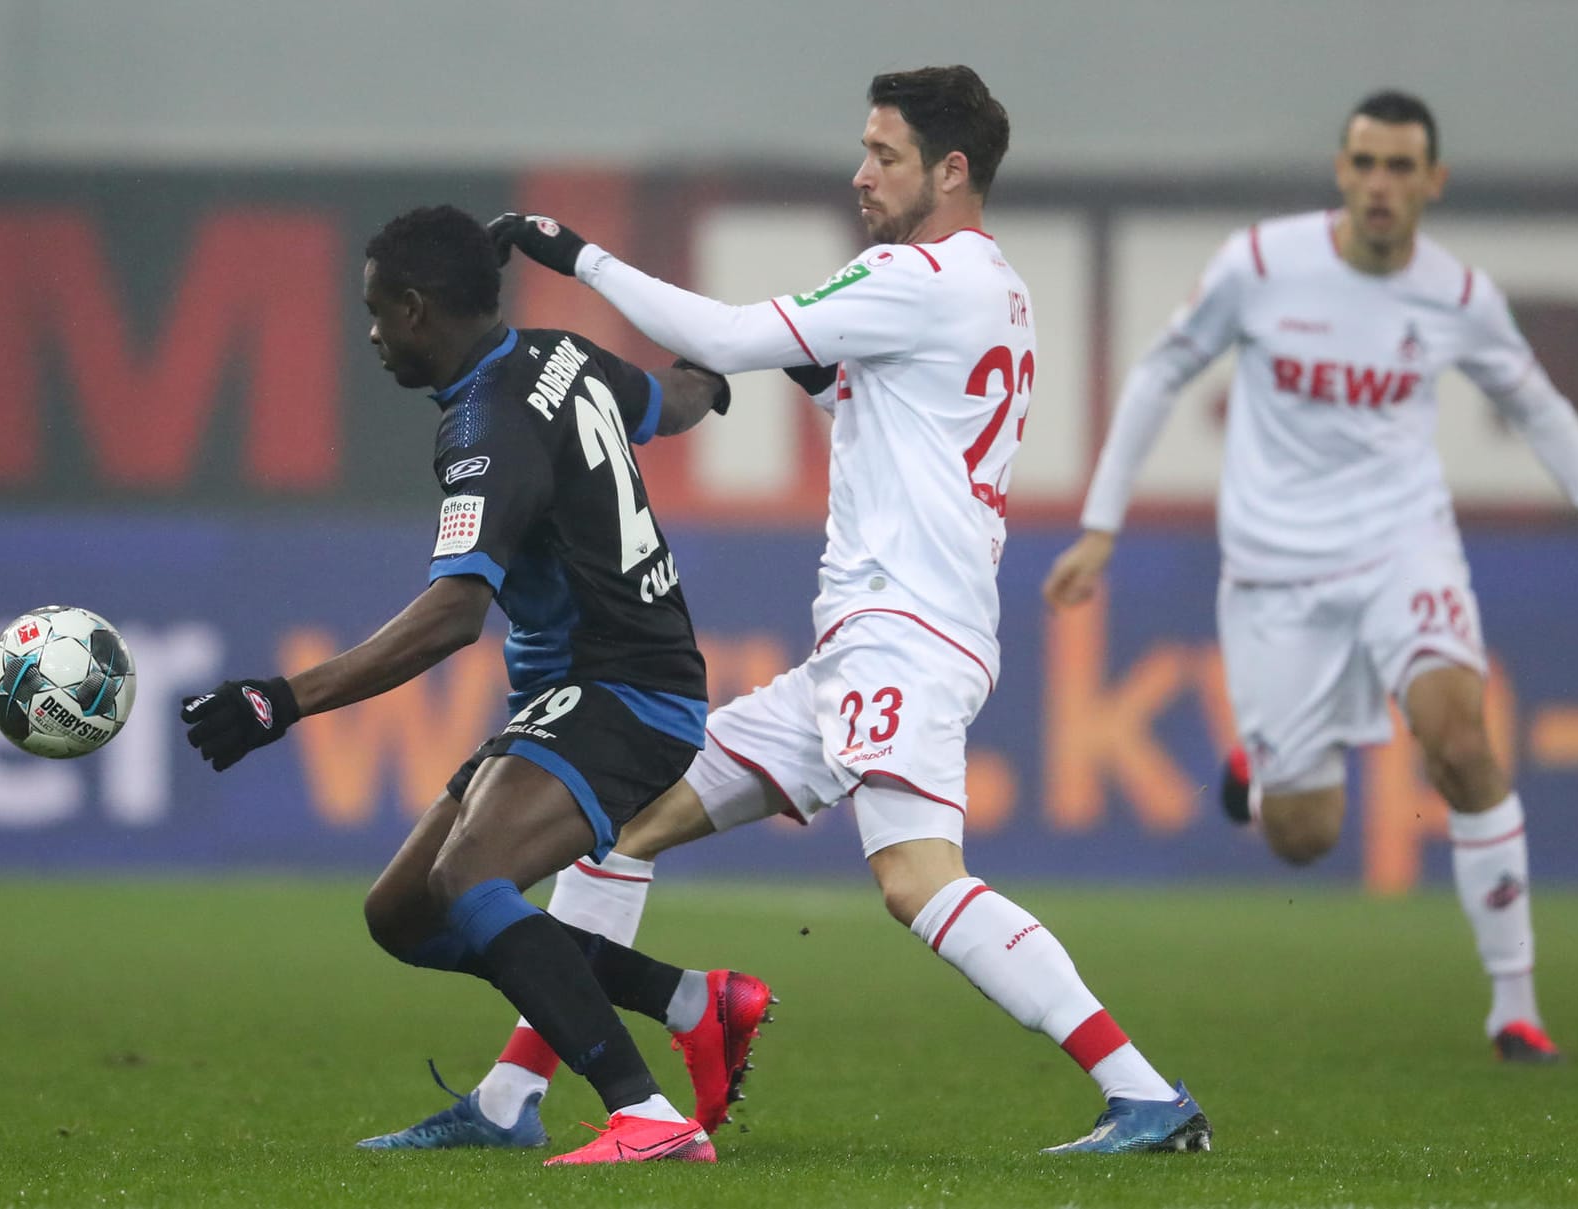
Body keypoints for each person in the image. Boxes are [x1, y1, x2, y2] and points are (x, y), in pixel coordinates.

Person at [405, 64, 1211, 1157]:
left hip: (907, 637)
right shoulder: (990, 289)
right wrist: (789, 364)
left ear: (952, 168)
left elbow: (735, 334)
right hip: (869, 649)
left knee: (918, 880)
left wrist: (575, 254)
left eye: (884, 153)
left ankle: (1146, 1095)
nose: (861, 172)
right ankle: (512, 1100)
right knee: (624, 822)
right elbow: (847, 392)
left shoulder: (925, 275)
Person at [1043, 90, 1578, 1064]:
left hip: (1402, 549)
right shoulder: (1261, 266)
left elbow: (1545, 407)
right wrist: (1099, 527)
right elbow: (1159, 374)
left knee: (1460, 740)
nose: (1380, 185)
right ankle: (1260, 776)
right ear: (1343, 172)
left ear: (1432, 181)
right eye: (1365, 165)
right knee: (1303, 836)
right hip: (1274, 573)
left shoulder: (1456, 296)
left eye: (1400, 168)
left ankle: (1514, 1005)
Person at [179, 204, 772, 1166]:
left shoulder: (485, 425)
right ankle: (691, 1001)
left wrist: (276, 700)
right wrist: (719, 374)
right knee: (404, 912)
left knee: (470, 878)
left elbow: (453, 616)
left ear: (417, 309)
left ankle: (646, 1116)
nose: (370, 333)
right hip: (589, 688)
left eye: (376, 311)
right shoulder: (560, 357)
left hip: (624, 688)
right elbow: (668, 399)